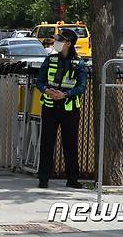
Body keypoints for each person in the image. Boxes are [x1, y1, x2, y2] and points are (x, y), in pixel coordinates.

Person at [36, 29, 88, 189]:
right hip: (50, 107)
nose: (56, 43)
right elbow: (40, 81)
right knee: (46, 143)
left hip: (69, 109)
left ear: (68, 43)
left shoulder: (79, 63)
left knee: (70, 144)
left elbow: (82, 87)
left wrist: (65, 94)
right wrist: (46, 90)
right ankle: (43, 178)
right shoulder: (50, 59)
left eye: (60, 40)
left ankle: (72, 179)